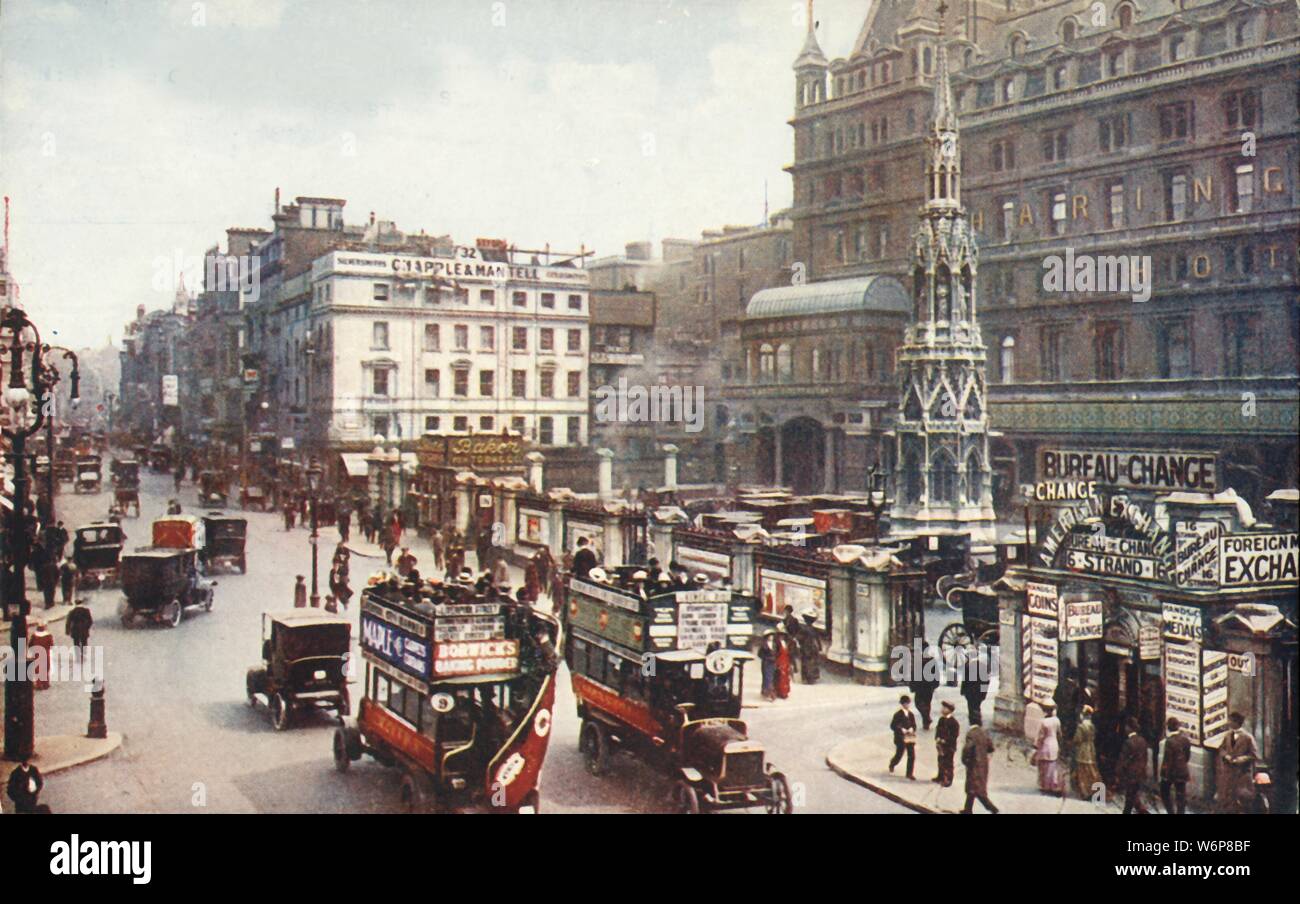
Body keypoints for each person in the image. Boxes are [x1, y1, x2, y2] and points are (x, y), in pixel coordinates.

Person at [1217, 712, 1258, 814]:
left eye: (1230, 721)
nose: (1229, 723)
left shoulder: (1248, 737)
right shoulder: (1227, 735)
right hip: (1228, 774)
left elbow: (1254, 755)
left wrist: (1241, 759)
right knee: (1228, 800)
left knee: (1242, 801)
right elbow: (1221, 748)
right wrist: (1226, 755)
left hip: (1242, 774)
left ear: (1237, 722)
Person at [960, 721, 999, 814]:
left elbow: (967, 748)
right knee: (972, 788)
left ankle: (993, 808)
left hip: (973, 765)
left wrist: (965, 760)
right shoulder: (984, 732)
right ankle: (967, 810)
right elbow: (991, 748)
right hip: (983, 765)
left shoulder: (971, 734)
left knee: (977, 789)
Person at [1160, 717, 1192, 815]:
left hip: (1171, 772)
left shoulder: (1169, 741)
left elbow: (1168, 759)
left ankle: (1170, 812)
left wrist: (1165, 774)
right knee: (1181, 795)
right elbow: (1187, 756)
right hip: (1182, 771)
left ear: (1168, 727)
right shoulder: (1185, 739)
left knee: (1164, 791)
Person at [1118, 717, 1150, 814]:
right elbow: (1145, 758)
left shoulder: (1128, 743)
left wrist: (1119, 772)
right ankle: (1141, 810)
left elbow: (1123, 760)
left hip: (1130, 774)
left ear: (1129, 728)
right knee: (1133, 795)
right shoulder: (1142, 741)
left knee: (1129, 797)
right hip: (1140, 773)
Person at [1072, 706, 1103, 801]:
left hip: (1083, 750)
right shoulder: (1092, 726)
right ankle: (1097, 791)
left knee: (1082, 772)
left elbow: (1077, 739)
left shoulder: (1081, 726)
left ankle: (1085, 792)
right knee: (1092, 771)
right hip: (1091, 748)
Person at [908, 641, 941, 730]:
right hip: (928, 687)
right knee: (927, 704)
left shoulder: (919, 660)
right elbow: (936, 674)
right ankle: (926, 721)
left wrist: (912, 686)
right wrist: (935, 684)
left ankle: (926, 719)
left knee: (919, 703)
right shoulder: (931, 660)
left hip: (920, 686)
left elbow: (913, 674)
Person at [1035, 703, 1065, 796]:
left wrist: (1036, 745)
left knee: (1044, 766)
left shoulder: (1043, 722)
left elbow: (1040, 736)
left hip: (1045, 744)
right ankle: (1053, 785)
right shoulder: (1057, 720)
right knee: (1052, 766)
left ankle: (1045, 786)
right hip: (1054, 744)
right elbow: (1060, 734)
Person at [888, 694, 918, 780]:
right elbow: (893, 726)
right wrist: (901, 729)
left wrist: (912, 728)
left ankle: (909, 773)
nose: (907, 705)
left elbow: (914, 725)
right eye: (905, 703)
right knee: (899, 754)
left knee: (911, 755)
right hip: (900, 737)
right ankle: (892, 763)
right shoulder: (898, 714)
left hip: (910, 737)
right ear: (902, 704)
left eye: (908, 703)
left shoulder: (911, 714)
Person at [960, 643, 990, 726]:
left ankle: (974, 723)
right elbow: (986, 681)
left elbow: (964, 681)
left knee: (971, 708)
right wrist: (984, 694)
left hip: (970, 693)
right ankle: (977, 722)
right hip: (978, 693)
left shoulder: (967, 666)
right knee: (976, 707)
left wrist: (963, 691)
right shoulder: (982, 666)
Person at [934, 700, 960, 786]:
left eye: (944, 708)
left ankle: (948, 779)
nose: (942, 709)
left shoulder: (954, 722)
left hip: (949, 746)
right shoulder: (941, 719)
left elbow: (954, 735)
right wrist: (937, 738)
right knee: (940, 760)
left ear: (949, 710)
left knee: (948, 763)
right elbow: (938, 730)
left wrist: (945, 740)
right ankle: (940, 776)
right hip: (941, 745)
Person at [797, 610, 821, 684]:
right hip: (809, 647)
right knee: (809, 662)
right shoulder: (808, 629)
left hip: (808, 647)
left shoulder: (805, 629)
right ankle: (809, 677)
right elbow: (817, 639)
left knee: (808, 662)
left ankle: (809, 677)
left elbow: (799, 638)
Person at [773, 624, 793, 699]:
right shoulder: (777, 643)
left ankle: (784, 692)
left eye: (783, 635)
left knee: (786, 677)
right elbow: (776, 652)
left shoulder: (786, 643)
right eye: (780, 635)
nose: (782, 636)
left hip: (786, 660)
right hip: (780, 661)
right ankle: (779, 691)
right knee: (780, 677)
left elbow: (788, 652)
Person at [758, 631, 778, 702]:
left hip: (773, 663)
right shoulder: (764, 645)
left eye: (772, 636)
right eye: (769, 636)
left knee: (771, 677)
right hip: (766, 663)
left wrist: (775, 659)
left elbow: (777, 653)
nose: (771, 637)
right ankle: (770, 694)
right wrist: (766, 658)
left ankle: (765, 691)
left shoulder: (774, 645)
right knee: (767, 678)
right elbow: (759, 654)